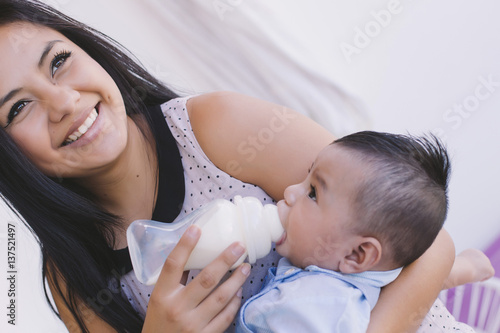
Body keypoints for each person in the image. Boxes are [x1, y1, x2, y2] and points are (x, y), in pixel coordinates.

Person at [0, 1, 459, 332]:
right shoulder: (75, 279)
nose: (63, 102)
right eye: (19, 108)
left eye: (59, 62)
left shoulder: (215, 128)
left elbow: (430, 244)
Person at [236, 132, 494, 332]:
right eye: (307, 178)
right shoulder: (372, 268)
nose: (291, 191)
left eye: (313, 193)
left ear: (357, 255)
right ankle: (460, 269)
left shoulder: (305, 311)